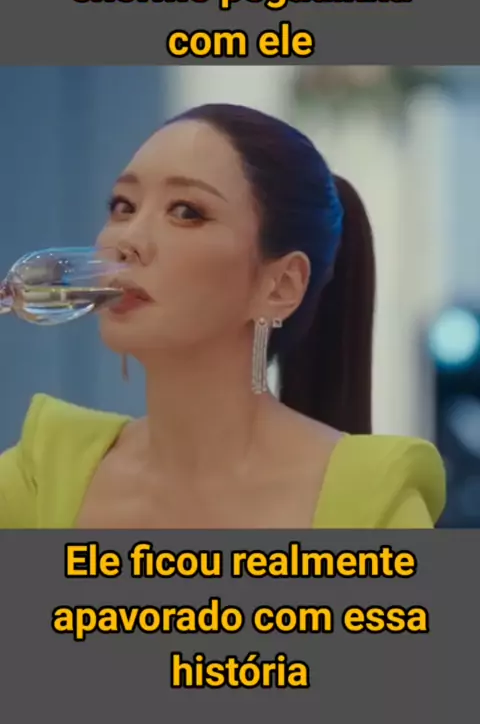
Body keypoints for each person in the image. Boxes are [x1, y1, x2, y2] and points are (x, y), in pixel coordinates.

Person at [0, 103, 445, 528]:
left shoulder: (369, 502)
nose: (127, 241)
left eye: (186, 212)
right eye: (124, 206)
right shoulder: (46, 475)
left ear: (281, 286)